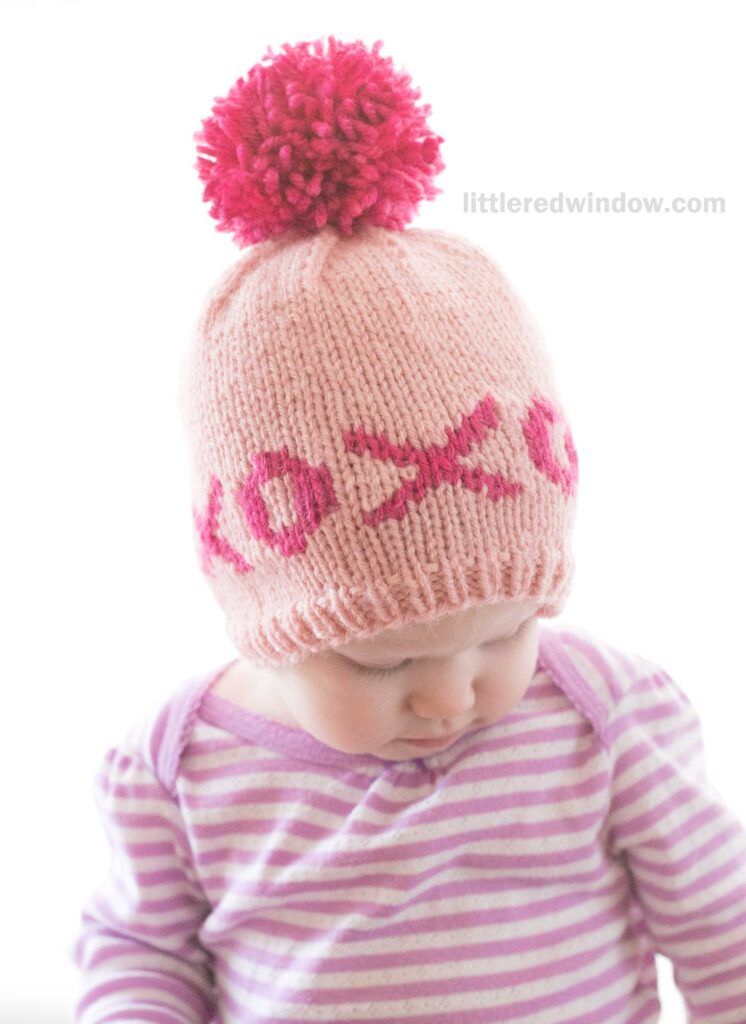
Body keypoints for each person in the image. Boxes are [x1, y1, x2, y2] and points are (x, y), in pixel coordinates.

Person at [69, 34, 746, 1024]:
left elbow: (720, 922)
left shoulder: (600, 714)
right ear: (261, 614)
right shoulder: (175, 767)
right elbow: (139, 950)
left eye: (504, 633)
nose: (448, 694)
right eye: (381, 667)